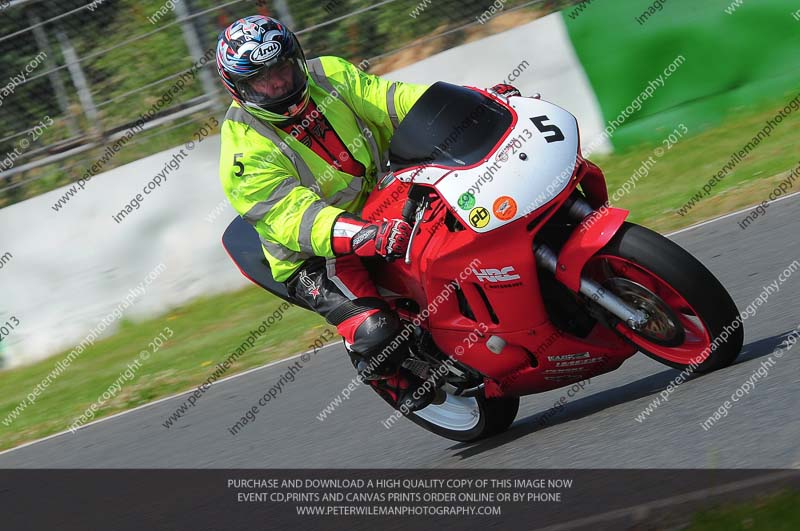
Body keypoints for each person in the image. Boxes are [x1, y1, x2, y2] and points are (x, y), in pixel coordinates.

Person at [216, 15, 520, 413]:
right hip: (316, 255)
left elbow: (394, 99)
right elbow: (296, 219)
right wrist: (361, 235)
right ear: (240, 89)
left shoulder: (328, 74)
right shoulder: (243, 152)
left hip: (384, 197)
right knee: (377, 333)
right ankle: (384, 370)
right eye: (262, 80)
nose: (278, 84)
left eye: (283, 69)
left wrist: (474, 105)